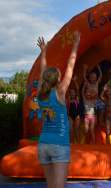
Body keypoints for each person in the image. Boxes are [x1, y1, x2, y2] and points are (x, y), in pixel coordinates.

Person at [36, 30, 80, 188]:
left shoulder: (41, 93)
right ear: (58, 80)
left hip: (43, 145)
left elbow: (42, 70)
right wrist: (75, 45)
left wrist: (43, 52)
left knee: (51, 186)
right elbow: (71, 65)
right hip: (59, 145)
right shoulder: (59, 93)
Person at [67, 75, 80, 143]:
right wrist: (68, 81)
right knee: (71, 130)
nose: (72, 93)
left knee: (76, 130)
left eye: (73, 92)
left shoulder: (77, 99)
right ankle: (71, 143)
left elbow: (78, 89)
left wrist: (75, 81)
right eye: (71, 92)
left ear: (75, 94)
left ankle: (78, 143)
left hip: (76, 115)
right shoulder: (69, 99)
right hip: (70, 116)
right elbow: (67, 89)